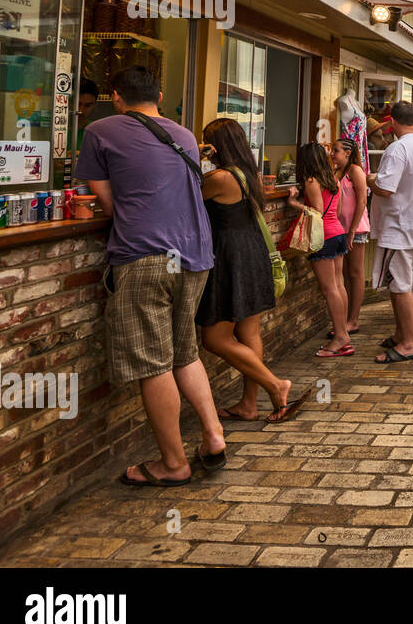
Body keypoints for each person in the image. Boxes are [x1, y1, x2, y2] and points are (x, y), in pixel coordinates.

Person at [77, 66, 222, 486]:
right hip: (194, 254)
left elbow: (108, 204)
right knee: (184, 351)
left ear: (116, 96)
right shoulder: (184, 135)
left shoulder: (101, 130)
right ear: (159, 95)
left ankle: (174, 464)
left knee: (151, 362)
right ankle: (213, 437)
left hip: (146, 254)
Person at [196, 118, 306, 424]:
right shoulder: (250, 174)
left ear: (215, 146)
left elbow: (184, 197)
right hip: (252, 253)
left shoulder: (220, 177)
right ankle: (247, 404)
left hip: (231, 258)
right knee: (248, 332)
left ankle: (275, 385)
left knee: (214, 339)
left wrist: (195, 155)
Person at [370, 101, 413, 364]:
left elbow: (386, 188)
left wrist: (369, 180)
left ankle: (409, 342)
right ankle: (401, 334)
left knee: (399, 286)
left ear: (394, 123)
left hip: (400, 226)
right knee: (403, 281)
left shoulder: (397, 149)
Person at [289, 143, 350, 358]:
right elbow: (338, 210)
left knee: (329, 289)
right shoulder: (333, 180)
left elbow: (317, 212)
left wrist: (294, 202)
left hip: (324, 237)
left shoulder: (311, 181)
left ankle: (340, 336)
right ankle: (344, 333)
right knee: (338, 285)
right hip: (338, 233)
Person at [331, 137, 370, 339]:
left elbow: (362, 201)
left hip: (356, 228)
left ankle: (353, 319)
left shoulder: (355, 171)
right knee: (343, 274)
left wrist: (353, 229)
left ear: (347, 152)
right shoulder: (336, 171)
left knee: (355, 273)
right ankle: (344, 318)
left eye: (335, 150)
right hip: (339, 228)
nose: (332, 154)